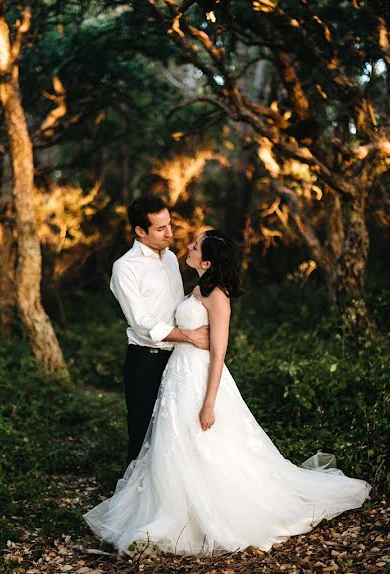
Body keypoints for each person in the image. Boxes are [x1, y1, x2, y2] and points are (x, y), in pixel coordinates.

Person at [85, 229, 371, 555]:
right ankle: (173, 506)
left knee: (206, 444)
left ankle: (210, 512)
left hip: (202, 379)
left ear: (206, 261)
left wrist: (209, 403)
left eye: (194, 246)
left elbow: (218, 352)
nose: (188, 247)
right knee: (174, 443)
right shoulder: (197, 288)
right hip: (178, 376)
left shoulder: (218, 296)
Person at [110, 196, 210, 463]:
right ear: (140, 231)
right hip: (146, 359)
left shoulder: (171, 260)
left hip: (179, 360)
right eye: (160, 228)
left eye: (169, 225)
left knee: (175, 432)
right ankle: (136, 496)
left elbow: (176, 307)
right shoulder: (125, 268)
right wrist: (189, 335)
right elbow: (142, 322)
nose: (170, 233)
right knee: (142, 434)